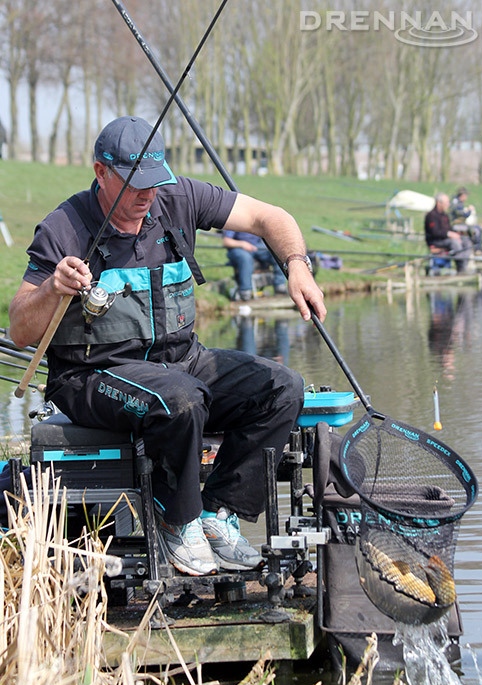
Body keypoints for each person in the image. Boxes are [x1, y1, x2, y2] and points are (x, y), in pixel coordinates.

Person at [8, 115, 326, 577]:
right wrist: (52, 288)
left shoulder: (179, 200)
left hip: (182, 361)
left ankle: (217, 514)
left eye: (156, 182)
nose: (148, 195)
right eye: (136, 184)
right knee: (180, 399)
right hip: (93, 375)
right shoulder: (65, 226)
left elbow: (269, 217)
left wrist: (297, 264)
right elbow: (20, 328)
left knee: (282, 388)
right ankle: (179, 520)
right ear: (101, 172)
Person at [222, 229, 288, 300]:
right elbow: (226, 241)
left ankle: (280, 286)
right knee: (245, 258)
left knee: (276, 253)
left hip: (256, 247)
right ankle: (245, 291)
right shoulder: (235, 221)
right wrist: (242, 244)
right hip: (239, 248)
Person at [424, 193, 472, 274]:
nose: (448, 204)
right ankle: (460, 268)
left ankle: (464, 265)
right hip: (436, 241)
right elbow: (434, 232)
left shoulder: (444, 215)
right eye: (446, 202)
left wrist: (457, 235)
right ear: (439, 203)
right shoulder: (431, 216)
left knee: (467, 242)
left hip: (446, 239)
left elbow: (449, 229)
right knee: (455, 243)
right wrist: (450, 234)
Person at [449, 187, 482, 252]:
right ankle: (476, 249)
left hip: (457, 223)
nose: (466, 197)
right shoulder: (457, 203)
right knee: (476, 229)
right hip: (455, 224)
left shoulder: (456, 201)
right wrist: (470, 210)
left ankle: (476, 248)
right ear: (463, 195)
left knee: (476, 228)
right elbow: (464, 215)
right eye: (466, 195)